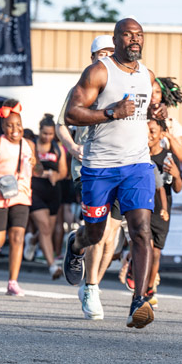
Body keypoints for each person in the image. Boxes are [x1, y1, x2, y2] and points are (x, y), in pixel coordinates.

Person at [62, 17, 167, 329]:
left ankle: (139, 301)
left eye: (139, 35)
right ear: (116, 38)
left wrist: (155, 112)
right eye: (127, 35)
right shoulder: (99, 71)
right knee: (95, 233)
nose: (134, 40)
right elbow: (73, 113)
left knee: (141, 230)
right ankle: (75, 245)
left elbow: (143, 110)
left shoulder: (148, 75)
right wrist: (109, 112)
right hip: (99, 166)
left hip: (137, 165)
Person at [55, 35, 126, 320]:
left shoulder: (125, 86)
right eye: (101, 53)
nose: (106, 57)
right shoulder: (82, 88)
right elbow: (61, 125)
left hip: (122, 165)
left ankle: (90, 280)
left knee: (112, 233)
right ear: (92, 57)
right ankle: (92, 286)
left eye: (111, 52)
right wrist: (72, 146)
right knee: (102, 227)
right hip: (89, 167)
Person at [0, 100, 36, 296]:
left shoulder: (29, 145)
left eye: (18, 125)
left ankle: (13, 281)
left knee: (18, 237)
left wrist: (37, 164)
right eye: (10, 126)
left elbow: (38, 170)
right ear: (3, 126)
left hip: (21, 195)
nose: (15, 129)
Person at [146, 119, 182, 308]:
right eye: (146, 130)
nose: (149, 135)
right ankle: (140, 285)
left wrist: (176, 175)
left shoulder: (169, 157)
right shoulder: (139, 155)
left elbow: (177, 189)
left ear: (161, 135)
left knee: (156, 253)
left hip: (162, 211)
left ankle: (149, 288)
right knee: (145, 248)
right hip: (143, 208)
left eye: (153, 131)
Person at [30, 114, 68, 280]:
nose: (47, 137)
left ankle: (32, 241)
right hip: (35, 190)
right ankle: (52, 266)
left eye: (50, 134)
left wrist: (56, 175)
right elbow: (31, 167)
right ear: (39, 132)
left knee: (48, 230)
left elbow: (64, 172)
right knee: (44, 227)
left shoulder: (57, 148)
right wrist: (46, 173)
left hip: (53, 191)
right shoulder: (33, 146)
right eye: (44, 133)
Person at [151, 77, 182, 163]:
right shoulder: (137, 120)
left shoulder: (170, 122)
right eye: (150, 91)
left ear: (162, 95)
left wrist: (167, 134)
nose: (153, 95)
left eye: (157, 92)